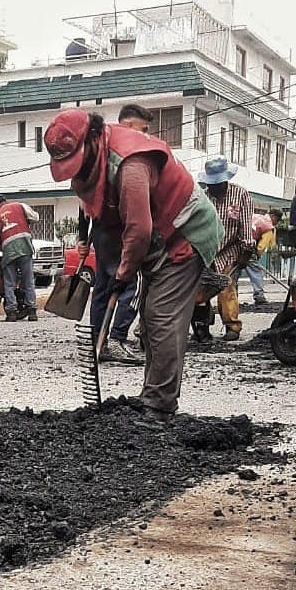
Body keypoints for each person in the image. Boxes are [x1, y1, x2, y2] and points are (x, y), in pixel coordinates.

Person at [44, 109, 222, 422]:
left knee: (161, 317)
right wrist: (117, 270)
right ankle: (153, 396)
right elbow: (108, 220)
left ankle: (159, 406)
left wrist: (123, 273)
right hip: (157, 239)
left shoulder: (130, 165)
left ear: (95, 138)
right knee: (151, 318)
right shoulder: (94, 167)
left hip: (185, 233)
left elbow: (137, 230)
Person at [78, 104, 154, 364]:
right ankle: (117, 338)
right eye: (144, 129)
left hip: (100, 232)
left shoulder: (99, 150)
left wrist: (82, 236)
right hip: (117, 231)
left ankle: (96, 342)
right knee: (133, 283)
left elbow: (83, 197)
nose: (146, 135)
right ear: (130, 125)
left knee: (102, 286)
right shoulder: (125, 153)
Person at [195, 157, 254, 342]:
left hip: (230, 251)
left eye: (217, 183)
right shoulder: (203, 197)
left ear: (225, 180)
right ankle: (202, 325)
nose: (213, 187)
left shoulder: (241, 195)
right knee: (202, 291)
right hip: (206, 251)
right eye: (211, 184)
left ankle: (232, 326)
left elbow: (245, 226)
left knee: (226, 286)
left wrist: (246, 252)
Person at [0, 194, 39, 322]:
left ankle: (11, 312)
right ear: (5, 201)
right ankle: (32, 311)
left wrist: (6, 247)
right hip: (25, 247)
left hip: (9, 252)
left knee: (9, 283)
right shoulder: (20, 206)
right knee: (28, 280)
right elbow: (35, 217)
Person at [246, 208, 282, 305]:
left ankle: (232, 296)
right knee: (256, 271)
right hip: (248, 248)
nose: (276, 223)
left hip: (237, 243)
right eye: (277, 220)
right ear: (273, 216)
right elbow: (262, 246)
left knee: (234, 271)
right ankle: (259, 295)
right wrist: (257, 255)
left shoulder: (256, 216)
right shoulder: (268, 227)